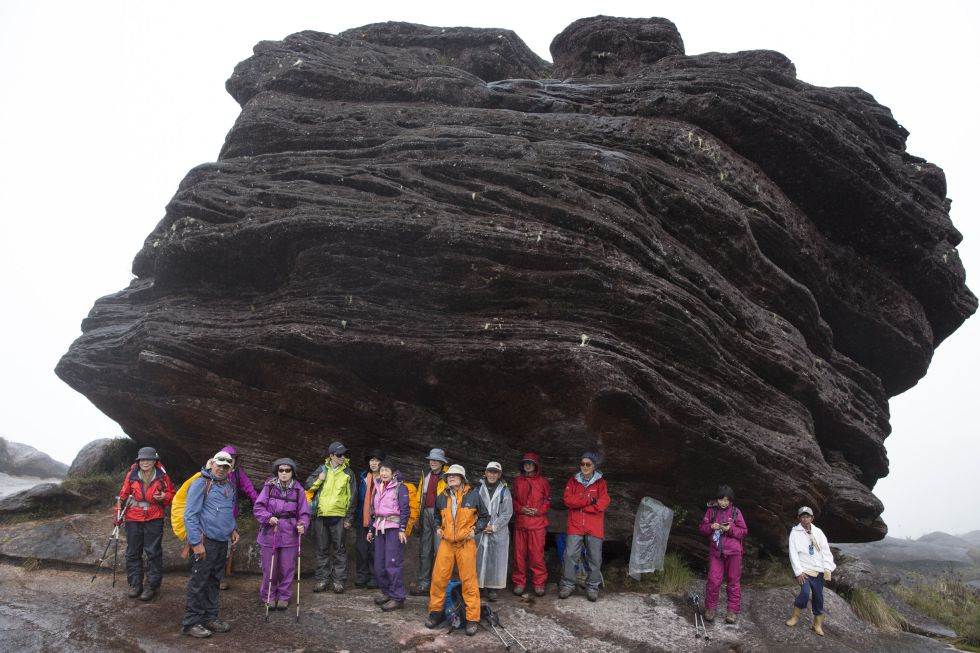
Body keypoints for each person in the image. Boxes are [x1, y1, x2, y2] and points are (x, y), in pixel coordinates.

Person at [424, 465, 489, 636]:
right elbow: (437, 514)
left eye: (455, 475)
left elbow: (484, 516)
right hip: (446, 542)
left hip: (465, 543)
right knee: (438, 578)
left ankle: (472, 618)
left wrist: (475, 531)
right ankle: (436, 613)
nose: (451, 477)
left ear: (462, 478)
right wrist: (438, 526)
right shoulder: (442, 496)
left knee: (469, 581)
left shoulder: (473, 495)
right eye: (449, 475)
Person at [181, 450, 240, 638]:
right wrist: (196, 543)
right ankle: (191, 623)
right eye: (219, 465)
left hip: (222, 542)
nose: (221, 469)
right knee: (199, 582)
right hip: (205, 542)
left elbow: (227, 511)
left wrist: (233, 529)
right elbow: (190, 515)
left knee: (214, 581)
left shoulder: (229, 486)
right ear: (211, 464)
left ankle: (210, 617)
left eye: (225, 466)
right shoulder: (200, 483)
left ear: (230, 468)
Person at [116, 446, 175, 601]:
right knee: (133, 552)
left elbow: (171, 495)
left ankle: (152, 586)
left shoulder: (162, 476)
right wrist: (117, 515)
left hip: (154, 517)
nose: (145, 462)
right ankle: (135, 584)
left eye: (149, 459)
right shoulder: (132, 475)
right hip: (133, 517)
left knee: (153, 552)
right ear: (138, 461)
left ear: (155, 461)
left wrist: (164, 497)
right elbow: (123, 496)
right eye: (142, 459)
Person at [253, 458, 310, 610]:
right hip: (270, 532)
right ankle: (269, 597)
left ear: (293, 472)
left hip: (289, 533)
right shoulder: (269, 488)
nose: (284, 473)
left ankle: (284, 596)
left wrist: (302, 524)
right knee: (269, 568)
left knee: (287, 568)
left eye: (287, 470)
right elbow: (258, 507)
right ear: (276, 472)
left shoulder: (299, 490)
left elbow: (304, 513)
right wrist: (267, 517)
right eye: (281, 470)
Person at [305, 441, 357, 593]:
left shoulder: (348, 473)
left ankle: (339, 581)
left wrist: (348, 519)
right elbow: (308, 485)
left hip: (339, 517)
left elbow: (353, 497)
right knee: (322, 549)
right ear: (331, 456)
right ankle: (322, 579)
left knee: (339, 550)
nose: (342, 457)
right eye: (339, 455)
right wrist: (320, 479)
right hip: (321, 516)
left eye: (344, 454)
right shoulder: (322, 469)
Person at [558, 452, 610, 602]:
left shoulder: (601, 483)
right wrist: (587, 500)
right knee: (570, 555)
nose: (585, 467)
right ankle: (567, 584)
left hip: (594, 526)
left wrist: (587, 508)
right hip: (576, 524)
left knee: (595, 558)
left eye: (588, 464)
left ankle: (592, 587)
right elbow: (568, 500)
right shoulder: (573, 481)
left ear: (594, 466)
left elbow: (603, 502)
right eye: (582, 464)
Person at [697, 485, 748, 623]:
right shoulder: (711, 512)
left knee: (733, 581)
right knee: (713, 580)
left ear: (730, 500)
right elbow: (702, 529)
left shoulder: (736, 512)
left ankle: (732, 611)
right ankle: (711, 608)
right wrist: (710, 527)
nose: (723, 502)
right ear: (717, 499)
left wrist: (730, 529)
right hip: (716, 552)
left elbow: (743, 531)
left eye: (726, 500)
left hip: (734, 552)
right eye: (721, 499)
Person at [367, 460, 411, 611]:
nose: (384, 473)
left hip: (393, 529)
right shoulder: (378, 487)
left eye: (387, 470)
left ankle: (398, 597)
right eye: (382, 471)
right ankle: (387, 592)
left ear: (393, 473)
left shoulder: (400, 488)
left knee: (392, 563)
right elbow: (375, 511)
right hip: (379, 529)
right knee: (379, 565)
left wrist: (402, 529)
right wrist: (371, 530)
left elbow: (405, 510)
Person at [786, 506, 836, 636]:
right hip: (804, 570)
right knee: (804, 592)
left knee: (818, 597)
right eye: (802, 516)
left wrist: (828, 568)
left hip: (818, 571)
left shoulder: (818, 532)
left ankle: (817, 624)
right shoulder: (795, 533)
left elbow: (825, 551)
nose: (805, 518)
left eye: (807, 516)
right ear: (799, 518)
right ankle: (795, 617)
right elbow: (793, 553)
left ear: (812, 518)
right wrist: (798, 572)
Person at [216, 445, 259, 590]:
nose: (230, 461)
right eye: (228, 458)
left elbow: (249, 488)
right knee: (210, 546)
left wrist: (259, 504)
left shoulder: (237, 473)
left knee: (225, 548)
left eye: (233, 459)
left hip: (229, 517)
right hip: (212, 516)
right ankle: (208, 576)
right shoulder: (213, 472)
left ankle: (220, 578)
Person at [411, 448, 449, 596]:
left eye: (436, 460)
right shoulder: (425, 474)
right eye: (431, 459)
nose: (433, 462)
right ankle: (424, 584)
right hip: (425, 513)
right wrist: (416, 518)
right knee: (425, 550)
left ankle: (439, 585)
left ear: (442, 462)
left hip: (440, 515)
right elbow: (420, 495)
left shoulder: (448, 476)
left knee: (439, 551)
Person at [511, 452, 550, 596]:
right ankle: (519, 582)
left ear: (536, 465)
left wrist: (538, 511)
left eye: (530, 463)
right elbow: (513, 500)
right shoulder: (517, 481)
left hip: (537, 524)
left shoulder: (543, 482)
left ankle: (539, 584)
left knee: (536, 556)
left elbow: (547, 501)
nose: (527, 465)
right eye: (525, 463)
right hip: (521, 523)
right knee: (519, 555)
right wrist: (520, 508)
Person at [476, 461, 513, 602]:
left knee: (495, 559)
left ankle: (492, 589)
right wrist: (481, 524)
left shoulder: (504, 490)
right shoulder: (478, 488)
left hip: (498, 532)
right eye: (490, 471)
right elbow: (473, 509)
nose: (492, 474)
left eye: (495, 472)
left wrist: (494, 526)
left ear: (499, 475)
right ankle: (478, 586)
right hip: (480, 530)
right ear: (485, 473)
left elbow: (507, 513)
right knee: (478, 558)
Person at [355, 449, 386, 589]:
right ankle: (362, 575)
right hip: (363, 517)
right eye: (371, 460)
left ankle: (375, 577)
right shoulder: (363, 477)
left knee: (375, 549)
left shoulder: (385, 478)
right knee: (361, 548)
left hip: (379, 520)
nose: (373, 463)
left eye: (377, 461)